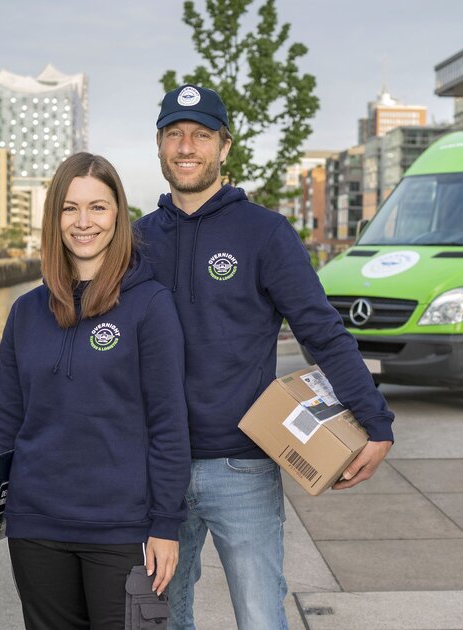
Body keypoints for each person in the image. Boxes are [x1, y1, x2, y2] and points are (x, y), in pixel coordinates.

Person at [135, 85, 396, 629]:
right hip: (155, 466)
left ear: (224, 146)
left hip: (243, 465)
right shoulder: (136, 241)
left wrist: (375, 420)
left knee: (260, 619)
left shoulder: (265, 233)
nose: (186, 146)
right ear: (159, 145)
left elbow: (321, 332)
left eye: (201, 135)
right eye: (174, 134)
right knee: (156, 619)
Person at [0, 152, 191, 630]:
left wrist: (166, 524)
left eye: (97, 207)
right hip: (36, 526)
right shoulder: (26, 312)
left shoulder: (150, 305)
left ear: (118, 215)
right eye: (70, 208)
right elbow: (4, 419)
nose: (83, 222)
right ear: (55, 218)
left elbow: (169, 425)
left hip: (124, 531)